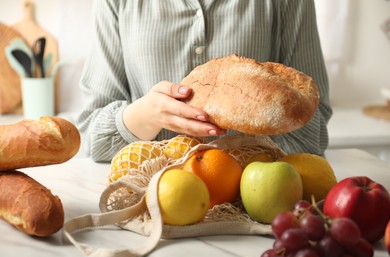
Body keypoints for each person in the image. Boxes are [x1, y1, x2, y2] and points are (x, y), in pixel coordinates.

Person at [77, 0, 333, 162]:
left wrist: (258, 113)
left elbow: (314, 133)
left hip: (255, 201)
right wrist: (146, 115)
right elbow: (92, 136)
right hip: (150, 200)